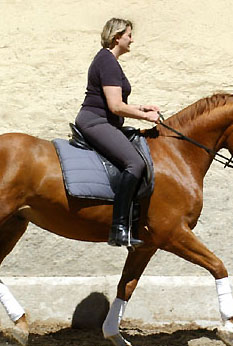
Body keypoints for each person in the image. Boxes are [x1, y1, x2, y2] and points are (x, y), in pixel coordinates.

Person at [75, 18, 160, 248]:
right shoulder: (107, 61)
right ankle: (119, 228)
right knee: (135, 163)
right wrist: (146, 117)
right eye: (129, 35)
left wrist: (142, 108)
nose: (132, 39)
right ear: (117, 37)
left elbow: (117, 103)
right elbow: (115, 106)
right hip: (96, 121)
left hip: (106, 121)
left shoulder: (108, 61)